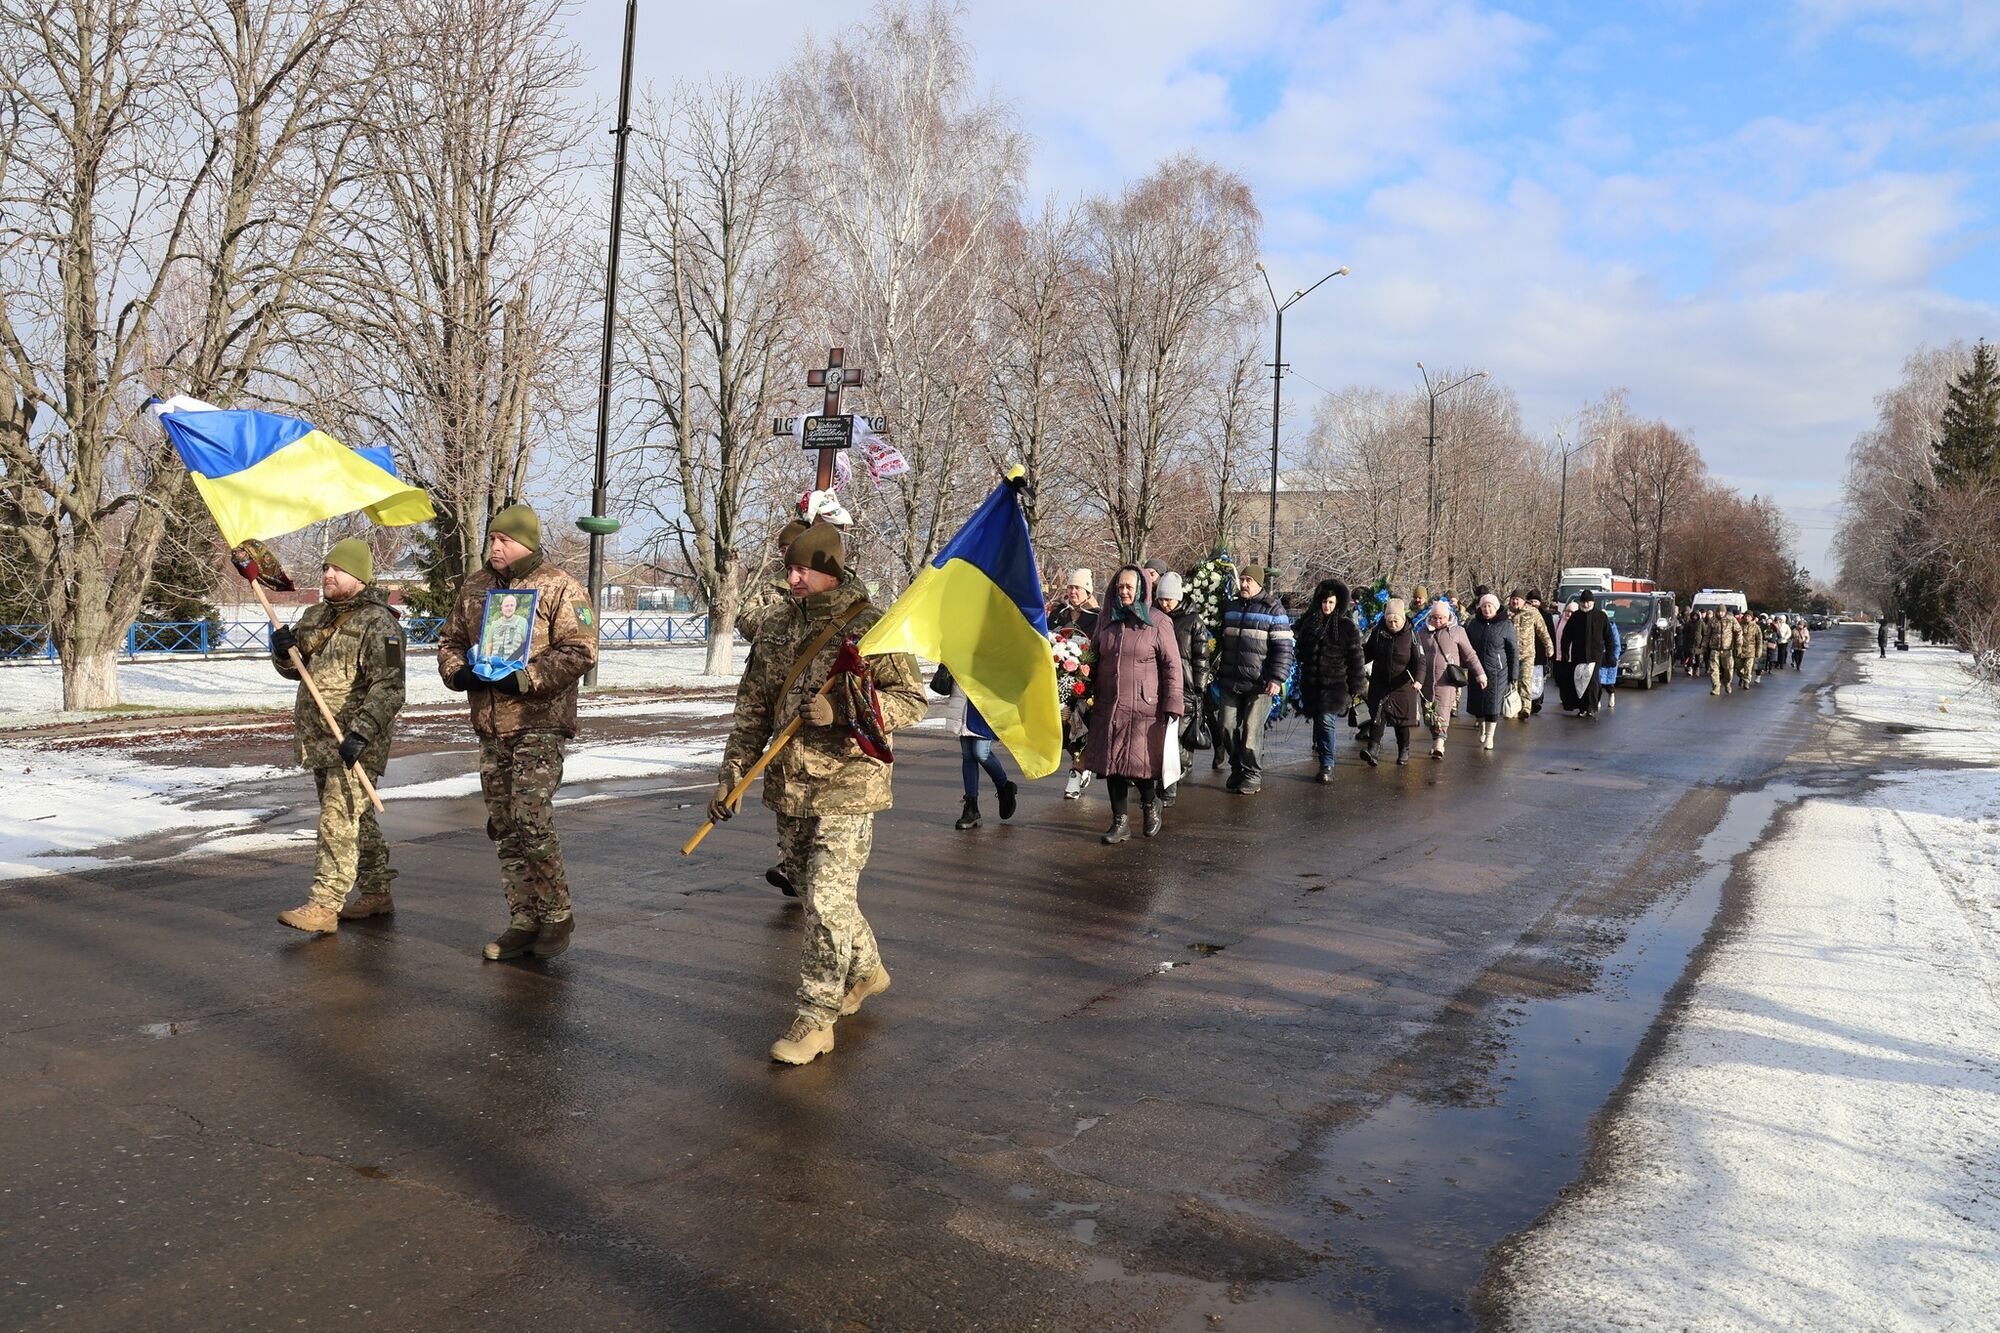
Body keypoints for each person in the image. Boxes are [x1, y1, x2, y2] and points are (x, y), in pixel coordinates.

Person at [708, 521, 926, 1065]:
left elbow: (912, 700)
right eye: (790, 566)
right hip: (789, 785)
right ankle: (867, 969)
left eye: (803, 568)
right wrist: (733, 773)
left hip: (849, 785)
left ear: (830, 571)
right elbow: (753, 710)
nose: (793, 576)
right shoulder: (779, 627)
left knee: (828, 903)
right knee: (816, 896)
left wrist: (846, 713)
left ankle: (815, 1018)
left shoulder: (873, 628)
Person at [438, 503, 599, 962]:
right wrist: (458, 672)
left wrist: (527, 677)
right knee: (504, 825)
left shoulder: (560, 586)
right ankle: (523, 919)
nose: (494, 547)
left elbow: (582, 650)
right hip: (491, 724)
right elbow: (449, 640)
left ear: (526, 542)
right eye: (491, 539)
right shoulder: (475, 587)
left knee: (530, 814)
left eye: (503, 540)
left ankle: (556, 913)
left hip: (539, 721)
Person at [272, 538, 407, 935]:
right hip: (319, 738)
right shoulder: (315, 617)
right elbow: (294, 669)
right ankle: (377, 890)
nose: (329, 575)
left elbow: (390, 687)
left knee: (336, 820)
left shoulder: (382, 625)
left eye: (339, 570)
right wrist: (282, 652)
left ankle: (324, 905)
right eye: (326, 568)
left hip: (357, 741)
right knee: (355, 819)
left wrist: (362, 733)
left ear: (360, 578)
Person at [1083, 566, 1184, 842]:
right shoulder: (1107, 619)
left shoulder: (1158, 621)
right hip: (1109, 703)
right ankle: (1120, 822)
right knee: (1112, 764)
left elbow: (1172, 666)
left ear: (1141, 589)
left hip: (1143, 707)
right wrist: (1078, 683)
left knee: (1139, 766)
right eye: (1120, 587)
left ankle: (1151, 804)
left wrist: (1173, 704)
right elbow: (1093, 657)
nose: (1124, 591)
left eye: (1129, 587)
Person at [1212, 565, 1293, 795]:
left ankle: (1252, 774)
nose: (1244, 584)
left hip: (1260, 684)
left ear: (1259, 584)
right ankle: (1237, 767)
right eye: (1242, 580)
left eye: (1249, 580)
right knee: (1226, 727)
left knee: (1251, 732)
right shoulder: (1231, 607)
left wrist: (1277, 678)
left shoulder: (1273, 609)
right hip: (1231, 680)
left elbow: (1284, 649)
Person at [1295, 578, 1365, 781]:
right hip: (1313, 685)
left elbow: (1355, 658)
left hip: (1335, 685)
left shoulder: (1346, 627)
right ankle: (1323, 756)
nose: (1327, 606)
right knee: (1319, 722)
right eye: (1324, 602)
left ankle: (1327, 764)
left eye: (1331, 602)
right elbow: (1300, 652)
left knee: (1327, 721)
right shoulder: (1310, 624)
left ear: (1338, 604)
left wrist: (1356, 685)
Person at [935, 666, 1017, 830]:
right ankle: (971, 807)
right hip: (962, 698)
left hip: (985, 700)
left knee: (981, 752)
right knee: (968, 755)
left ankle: (1004, 786)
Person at [1154, 571, 1209, 805]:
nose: (1164, 604)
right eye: (1161, 599)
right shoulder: (1155, 617)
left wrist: (1199, 687)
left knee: (1174, 739)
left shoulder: (1193, 622)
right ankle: (1167, 780)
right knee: (1163, 738)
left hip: (1185, 687)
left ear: (1178, 597)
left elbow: (1202, 657)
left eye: (1168, 599)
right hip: (1158, 684)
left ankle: (1169, 788)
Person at [1051, 569, 1100, 799]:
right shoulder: (1058, 615)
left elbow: (1099, 649)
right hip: (1059, 682)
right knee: (1064, 729)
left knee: (1080, 727)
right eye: (1070, 587)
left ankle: (1076, 773)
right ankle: (1082, 765)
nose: (1072, 592)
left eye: (1077, 588)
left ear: (1087, 591)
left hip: (1085, 682)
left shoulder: (1097, 617)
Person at [1359, 597, 1424, 766]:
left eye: (1396, 620)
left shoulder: (1412, 635)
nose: (1393, 624)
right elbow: (1369, 652)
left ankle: (1404, 751)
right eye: (1389, 620)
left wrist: (1418, 680)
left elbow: (1420, 661)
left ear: (1403, 619)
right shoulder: (1378, 632)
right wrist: (1355, 663)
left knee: (1401, 722)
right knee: (1377, 717)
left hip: (1403, 684)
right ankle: (1372, 750)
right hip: (1380, 681)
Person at [1417, 598, 1485, 758]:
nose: (1438, 621)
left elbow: (1470, 655)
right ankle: (1435, 739)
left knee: (1443, 710)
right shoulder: (1422, 632)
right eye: (1435, 617)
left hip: (1446, 680)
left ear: (1448, 617)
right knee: (1429, 712)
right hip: (1426, 680)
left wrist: (1480, 674)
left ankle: (1440, 743)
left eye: (1441, 617)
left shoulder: (1457, 631)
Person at [1464, 593, 1519, 750]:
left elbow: (1513, 651)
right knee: (1477, 703)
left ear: (1496, 607)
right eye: (1484, 606)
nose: (1487, 609)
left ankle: (1490, 736)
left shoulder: (1506, 625)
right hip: (1476, 670)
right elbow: (1466, 647)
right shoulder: (1474, 624)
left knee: (1493, 704)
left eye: (1490, 606)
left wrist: (1513, 676)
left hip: (1497, 671)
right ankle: (1481, 727)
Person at [1559, 590, 1611, 716]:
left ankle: (1591, 707)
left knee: (1593, 682)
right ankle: (1582, 708)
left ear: (1593, 602)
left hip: (1594, 656)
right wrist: (1565, 653)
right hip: (1579, 655)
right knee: (1580, 682)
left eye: (1588, 602)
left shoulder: (1601, 617)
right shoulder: (1576, 617)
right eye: (1583, 602)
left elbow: (1609, 637)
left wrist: (1610, 655)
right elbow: (1566, 636)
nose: (1586, 605)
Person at [1507, 590, 1553, 722]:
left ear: (1523, 600)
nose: (1515, 602)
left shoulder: (1532, 612)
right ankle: (1514, 707)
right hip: (1510, 654)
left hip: (1527, 654)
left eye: (1518, 599)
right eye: (1513, 599)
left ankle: (1526, 708)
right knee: (1513, 681)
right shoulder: (1506, 613)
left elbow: (1543, 631)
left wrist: (1549, 647)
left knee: (1525, 680)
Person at [1599, 612, 1624, 710]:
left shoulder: (1612, 628)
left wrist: (1615, 657)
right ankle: (1597, 700)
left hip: (1610, 657)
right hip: (1600, 657)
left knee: (1609, 683)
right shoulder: (1597, 627)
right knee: (1598, 682)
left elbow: (1617, 644)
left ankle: (1611, 695)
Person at [1709, 609, 1737, 694]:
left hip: (1727, 649)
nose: (1720, 613)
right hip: (1715, 649)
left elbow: (1738, 631)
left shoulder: (1731, 620)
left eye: (1722, 612)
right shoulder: (1712, 620)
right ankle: (1716, 687)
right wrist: (1703, 646)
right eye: (1719, 611)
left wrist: (1738, 645)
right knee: (1714, 669)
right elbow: (1707, 634)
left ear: (1725, 612)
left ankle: (1727, 683)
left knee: (1728, 669)